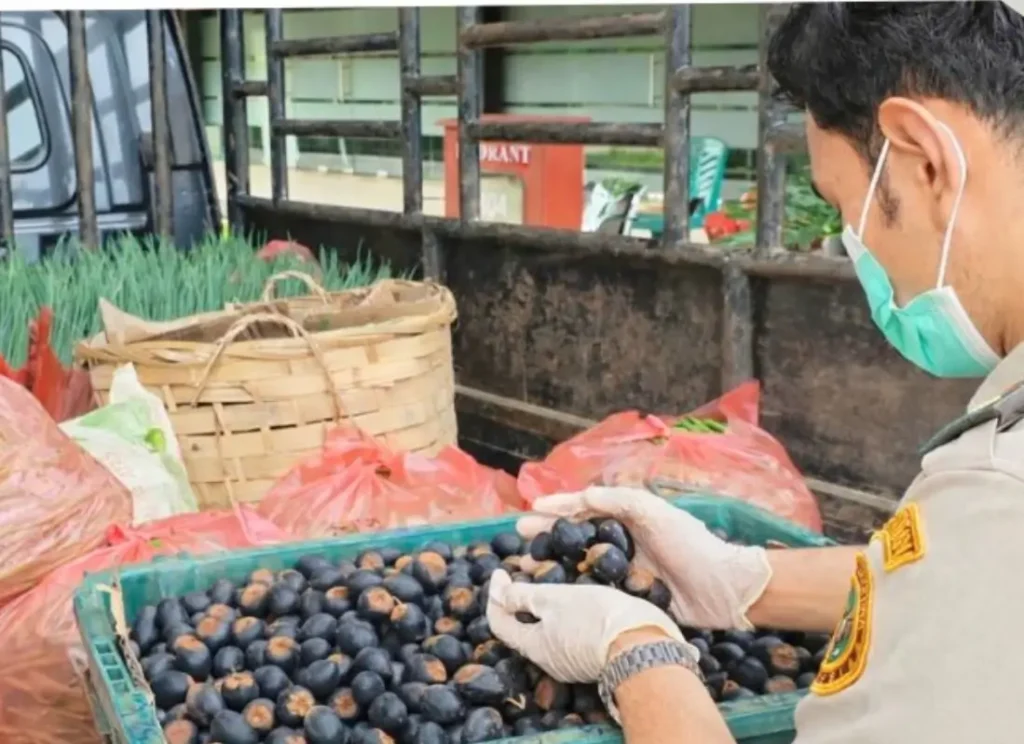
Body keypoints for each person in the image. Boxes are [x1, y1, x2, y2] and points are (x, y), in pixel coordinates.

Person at [485, 3, 1024, 742]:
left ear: (923, 157)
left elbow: (989, 562)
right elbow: (963, 590)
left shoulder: (1002, 493)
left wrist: (636, 655)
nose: (855, 250)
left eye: (844, 208)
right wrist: (745, 581)